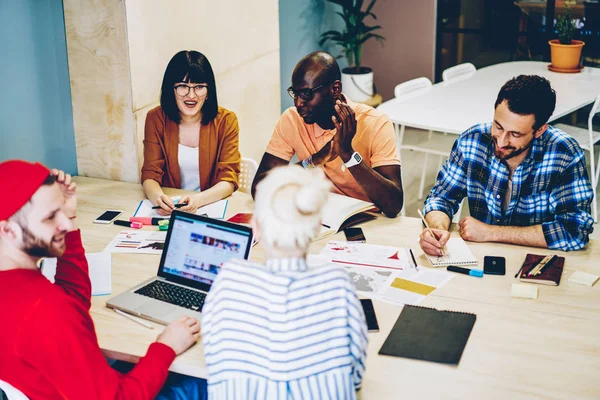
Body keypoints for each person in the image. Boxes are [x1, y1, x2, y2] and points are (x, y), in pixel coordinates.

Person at [0, 160, 206, 399]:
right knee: (204, 380)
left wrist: (69, 214)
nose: (65, 223)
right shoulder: (45, 311)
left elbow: (74, 301)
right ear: (8, 230)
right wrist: (166, 346)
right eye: (50, 217)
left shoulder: (24, 291)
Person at [203, 165, 368, 399]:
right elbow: (356, 377)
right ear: (317, 226)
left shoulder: (228, 282)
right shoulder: (338, 287)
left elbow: (214, 358)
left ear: (256, 226)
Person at [420, 75, 594, 255]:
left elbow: (575, 230)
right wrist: (436, 228)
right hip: (482, 258)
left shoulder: (564, 152)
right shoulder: (472, 140)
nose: (502, 141)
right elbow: (441, 198)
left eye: (515, 134)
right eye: (498, 126)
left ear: (540, 130)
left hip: (538, 261)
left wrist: (491, 232)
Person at [251, 51, 404, 217]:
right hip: (317, 218)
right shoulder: (291, 120)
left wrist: (348, 155)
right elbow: (259, 189)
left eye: (306, 94)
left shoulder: (375, 122)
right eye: (295, 93)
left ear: (335, 89)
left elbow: (393, 205)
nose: (298, 103)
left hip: (368, 220)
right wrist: (313, 160)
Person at [142, 50, 241, 215]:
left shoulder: (226, 120)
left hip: (208, 208)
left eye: (199, 87)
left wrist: (198, 200)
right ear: (171, 89)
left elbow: (228, 180)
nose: (191, 95)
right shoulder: (155, 118)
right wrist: (158, 198)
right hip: (170, 212)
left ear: (209, 90)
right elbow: (150, 174)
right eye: (182, 86)